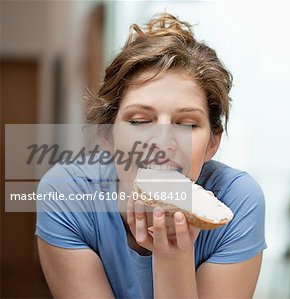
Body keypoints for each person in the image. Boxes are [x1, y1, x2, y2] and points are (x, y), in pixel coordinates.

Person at [35, 13, 266, 298]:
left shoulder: (238, 200)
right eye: (140, 121)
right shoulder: (65, 193)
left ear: (212, 144)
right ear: (107, 136)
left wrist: (172, 257)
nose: (162, 141)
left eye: (188, 124)